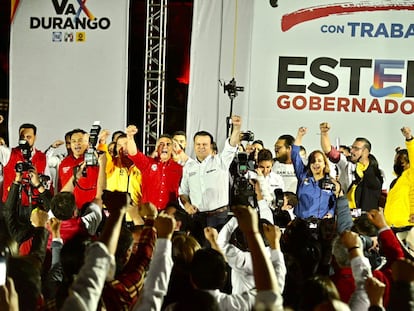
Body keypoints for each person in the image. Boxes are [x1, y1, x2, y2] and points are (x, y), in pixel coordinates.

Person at [179, 115, 241, 243]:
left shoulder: (221, 161)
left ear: (211, 145)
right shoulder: (189, 167)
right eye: (198, 144)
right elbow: (183, 193)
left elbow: (231, 145)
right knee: (197, 253)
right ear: (194, 145)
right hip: (197, 219)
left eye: (205, 144)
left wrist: (236, 128)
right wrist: (186, 205)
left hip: (219, 218)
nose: (201, 147)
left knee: (217, 254)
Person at [126, 126, 183, 211]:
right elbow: (133, 153)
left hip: (169, 215)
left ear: (172, 148)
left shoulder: (179, 168)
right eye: (161, 144)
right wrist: (130, 137)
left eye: (168, 144)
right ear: (156, 148)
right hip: (149, 213)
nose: (165, 146)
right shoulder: (148, 163)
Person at [291, 127, 340, 219]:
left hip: (321, 224)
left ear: (325, 164)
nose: (316, 163)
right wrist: (299, 136)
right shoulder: (303, 175)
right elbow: (294, 156)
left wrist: (331, 213)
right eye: (313, 161)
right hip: (301, 222)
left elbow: (335, 201)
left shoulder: (330, 182)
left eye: (319, 161)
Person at [2, 123, 51, 207]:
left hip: (34, 205)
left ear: (35, 137)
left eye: (28, 137)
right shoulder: (9, 153)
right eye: (22, 137)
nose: (25, 140)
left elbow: (48, 183)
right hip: (11, 206)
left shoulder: (42, 157)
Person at [58, 128, 100, 210]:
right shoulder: (64, 162)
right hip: (69, 209)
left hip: (90, 208)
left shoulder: (94, 160)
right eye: (73, 141)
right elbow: (60, 185)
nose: (77, 144)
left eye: (80, 140)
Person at [384, 126, 414, 230]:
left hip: (407, 226)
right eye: (395, 161)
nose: (397, 164)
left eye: (401, 162)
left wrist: (409, 139)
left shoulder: (411, 175)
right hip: (392, 226)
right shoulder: (396, 181)